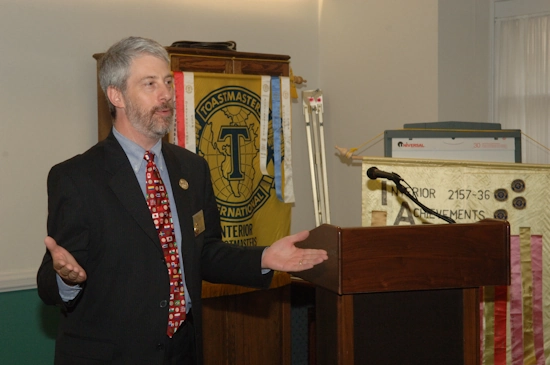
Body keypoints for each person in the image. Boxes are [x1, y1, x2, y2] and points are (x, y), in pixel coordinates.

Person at [37, 36, 328, 365]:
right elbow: (49, 283)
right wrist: (66, 278)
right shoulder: (77, 178)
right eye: (149, 84)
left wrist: (265, 258)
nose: (165, 96)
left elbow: (205, 253)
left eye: (166, 82)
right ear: (115, 95)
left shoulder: (192, 168)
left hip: (183, 350)